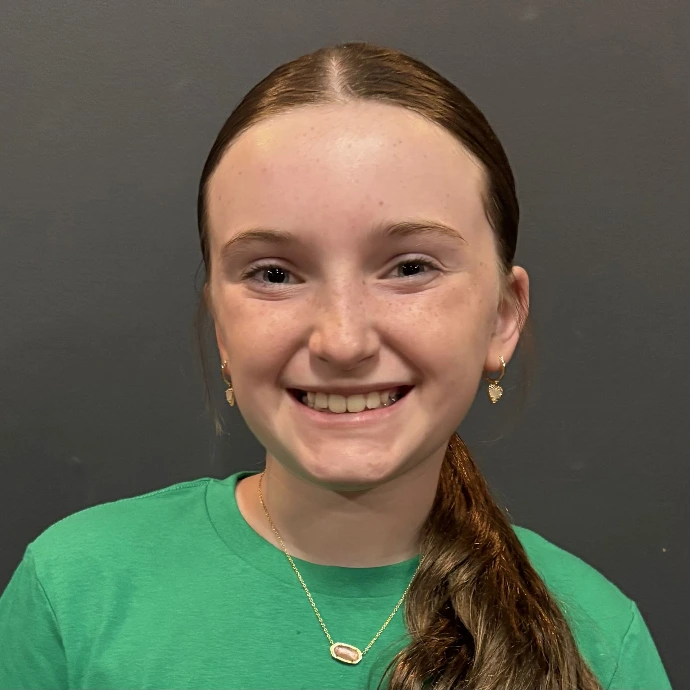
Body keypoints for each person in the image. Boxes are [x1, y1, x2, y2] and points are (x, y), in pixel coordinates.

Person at [0, 41, 672, 690]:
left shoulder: (599, 642)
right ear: (222, 328)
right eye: (274, 274)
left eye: (410, 267)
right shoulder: (74, 590)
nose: (343, 341)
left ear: (502, 316)